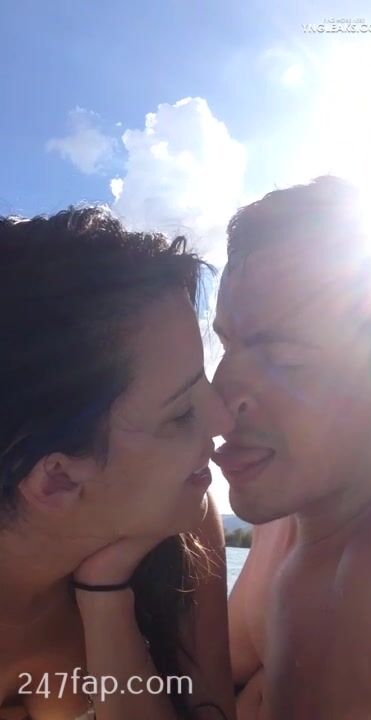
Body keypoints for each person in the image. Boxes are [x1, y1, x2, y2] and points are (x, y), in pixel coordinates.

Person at [0, 206, 236, 720]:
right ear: (57, 478)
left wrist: (106, 593)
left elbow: (212, 709)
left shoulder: (185, 529)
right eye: (180, 413)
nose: (223, 419)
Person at [212, 176, 371, 719]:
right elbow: (222, 673)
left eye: (283, 359)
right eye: (224, 345)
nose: (217, 401)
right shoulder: (288, 522)